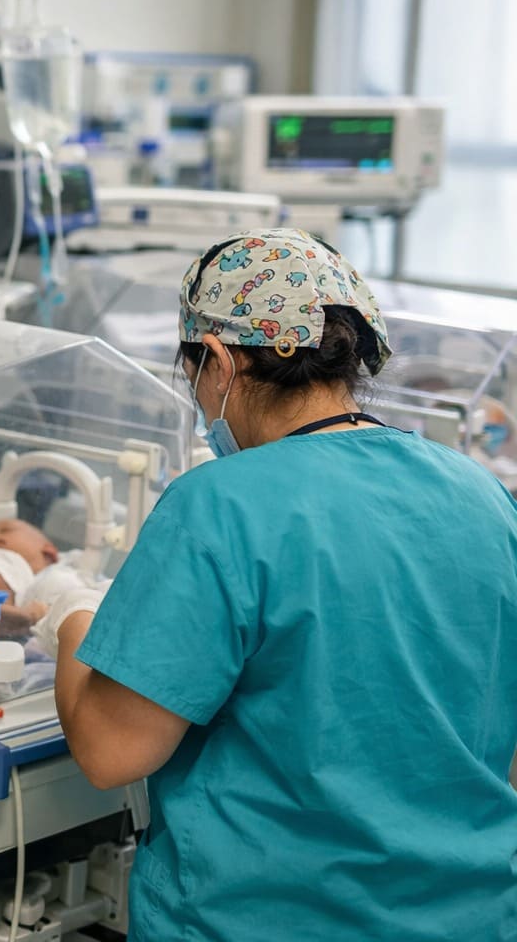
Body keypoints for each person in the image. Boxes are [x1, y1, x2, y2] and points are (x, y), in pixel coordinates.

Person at [34, 229, 517, 940]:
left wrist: (70, 608)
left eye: (194, 372)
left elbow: (112, 750)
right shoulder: (485, 498)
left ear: (221, 361)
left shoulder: (222, 505)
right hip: (466, 919)